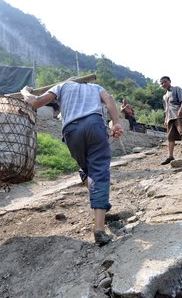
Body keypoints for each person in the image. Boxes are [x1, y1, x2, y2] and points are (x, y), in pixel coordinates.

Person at [20, 81, 123, 246]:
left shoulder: (61, 86)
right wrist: (116, 122)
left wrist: (24, 91)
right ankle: (99, 229)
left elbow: (34, 102)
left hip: (71, 131)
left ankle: (101, 204)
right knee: (99, 173)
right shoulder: (96, 87)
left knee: (85, 171)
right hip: (94, 125)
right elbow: (109, 99)